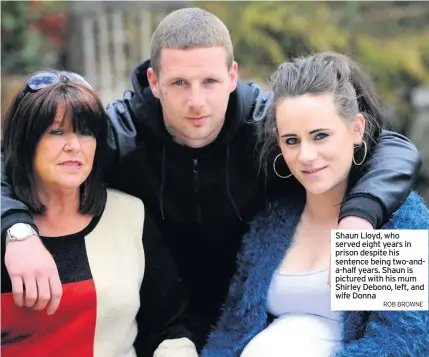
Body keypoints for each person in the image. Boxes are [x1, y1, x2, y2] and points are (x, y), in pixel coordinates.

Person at [0, 7, 422, 350]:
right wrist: (16, 231)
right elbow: (18, 161)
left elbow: (404, 338)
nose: (196, 102)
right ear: (154, 82)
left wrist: (359, 218)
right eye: (179, 82)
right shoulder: (118, 137)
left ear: (234, 76)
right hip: (173, 332)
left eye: (211, 81)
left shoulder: (271, 128)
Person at [200, 52, 429, 357]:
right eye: (292, 140)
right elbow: (231, 331)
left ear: (356, 129)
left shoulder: (397, 221)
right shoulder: (275, 217)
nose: (306, 155)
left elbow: (401, 344)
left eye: (320, 136)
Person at [0, 71, 198, 357]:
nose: (74, 146)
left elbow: (171, 328)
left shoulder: (128, 214)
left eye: (85, 131)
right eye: (56, 131)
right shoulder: (7, 224)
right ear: (25, 142)